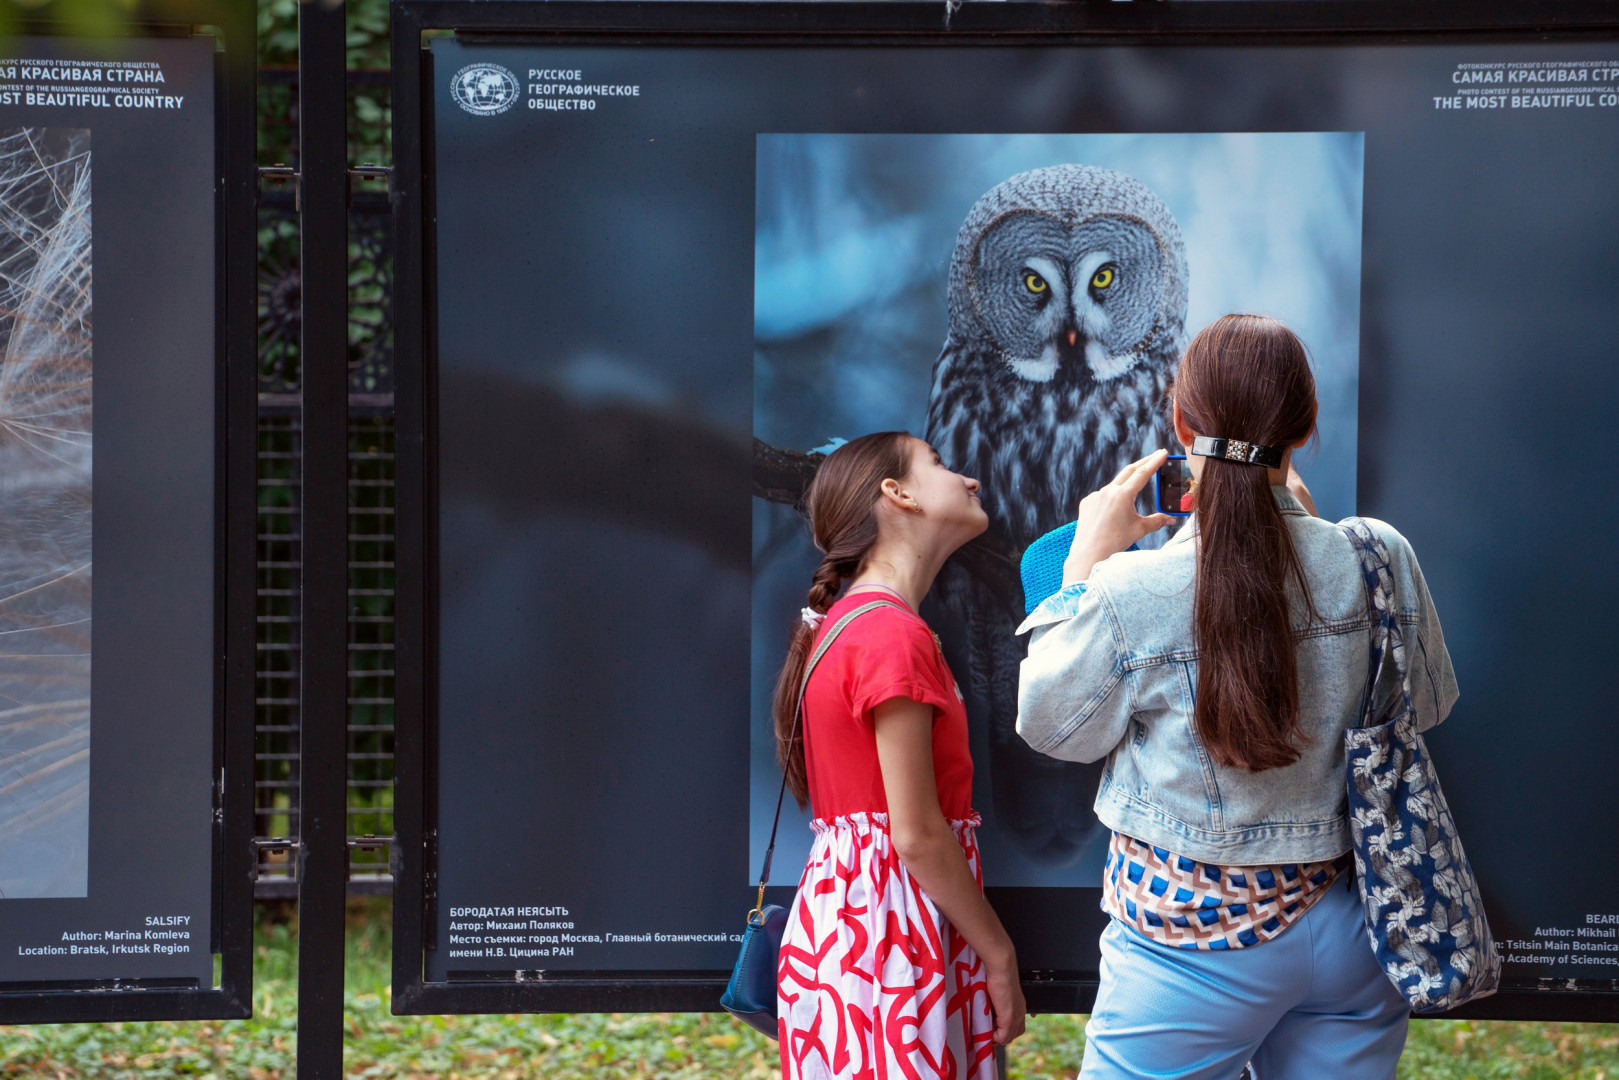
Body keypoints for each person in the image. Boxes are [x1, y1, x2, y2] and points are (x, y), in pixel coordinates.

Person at [1016, 314, 1458, 1079]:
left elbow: (1053, 728)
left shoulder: (1133, 587)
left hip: (1189, 945)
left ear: (1179, 422)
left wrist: (1083, 561)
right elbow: (1422, 706)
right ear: (1306, 425)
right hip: (1355, 930)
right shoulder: (1379, 554)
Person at [774, 431, 1027, 1080]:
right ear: (898, 493)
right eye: (941, 465)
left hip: (853, 935)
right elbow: (913, 834)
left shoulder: (849, 623)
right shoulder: (892, 634)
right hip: (889, 942)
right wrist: (997, 954)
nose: (968, 479)